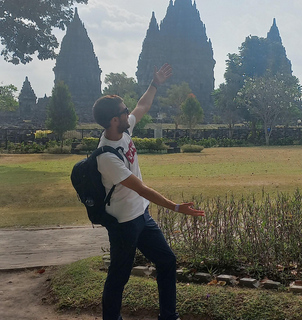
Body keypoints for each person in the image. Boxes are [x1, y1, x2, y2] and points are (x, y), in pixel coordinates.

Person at [92, 63, 205, 320]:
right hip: (124, 223)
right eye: (123, 111)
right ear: (113, 120)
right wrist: (176, 207)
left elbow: (141, 107)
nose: (127, 113)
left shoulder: (124, 129)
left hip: (141, 216)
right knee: (119, 276)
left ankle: (168, 315)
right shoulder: (107, 157)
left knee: (166, 261)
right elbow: (142, 188)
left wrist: (155, 84)